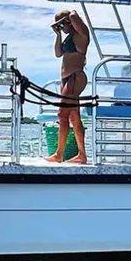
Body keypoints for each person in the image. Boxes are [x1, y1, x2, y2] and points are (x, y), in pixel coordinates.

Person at [45, 9, 90, 164]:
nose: (61, 28)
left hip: (75, 78)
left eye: (62, 24)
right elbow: (58, 53)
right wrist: (57, 35)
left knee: (62, 115)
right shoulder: (69, 37)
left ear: (69, 22)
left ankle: (59, 154)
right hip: (67, 80)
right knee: (74, 117)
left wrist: (67, 17)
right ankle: (82, 155)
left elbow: (73, 14)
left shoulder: (81, 34)